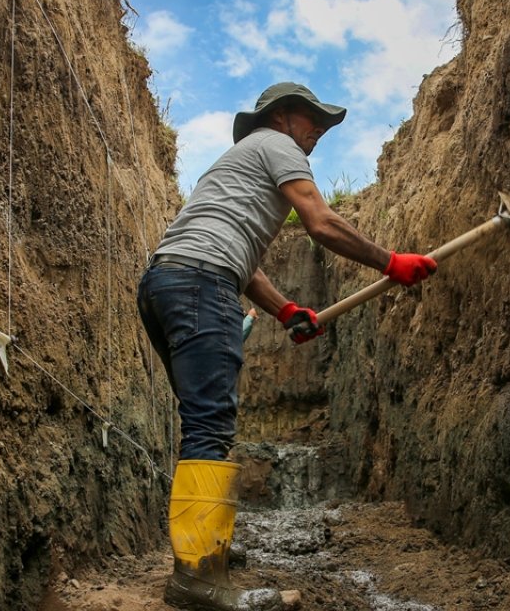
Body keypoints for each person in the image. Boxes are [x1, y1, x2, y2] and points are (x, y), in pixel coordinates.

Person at [137, 82, 436, 611]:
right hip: (203, 285)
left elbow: (244, 262)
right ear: (280, 117)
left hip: (167, 284)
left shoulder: (235, 168)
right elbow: (321, 222)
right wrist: (391, 261)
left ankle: (208, 549)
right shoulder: (278, 146)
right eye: (310, 118)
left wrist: (286, 310)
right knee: (210, 426)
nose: (317, 129)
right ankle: (196, 581)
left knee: (201, 422)